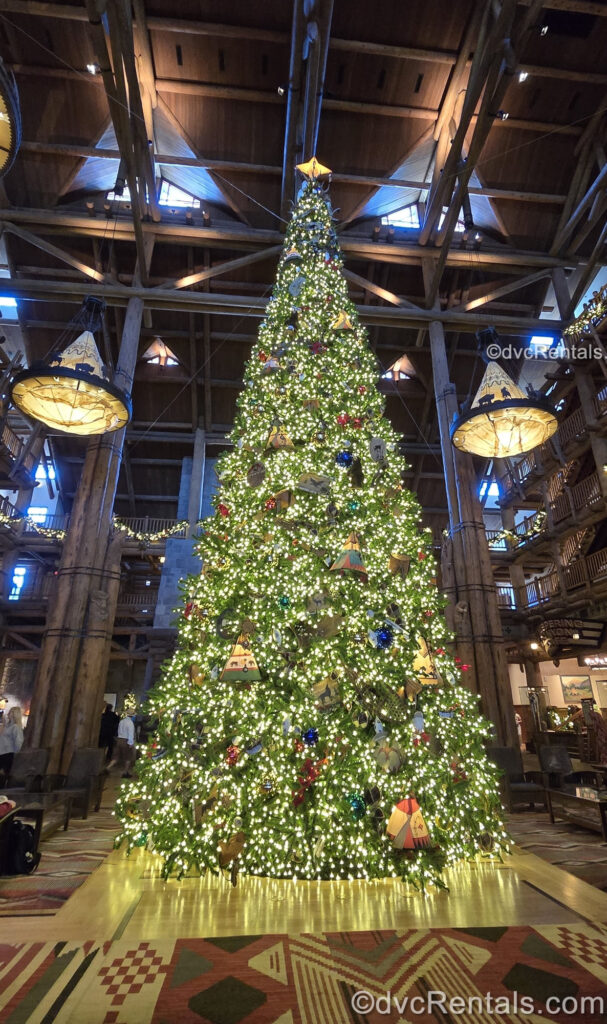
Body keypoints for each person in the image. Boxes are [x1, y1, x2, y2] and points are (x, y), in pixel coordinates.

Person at [109, 713, 136, 778]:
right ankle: (125, 772)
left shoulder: (122, 721)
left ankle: (108, 767)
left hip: (119, 739)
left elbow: (118, 730)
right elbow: (130, 733)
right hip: (126, 741)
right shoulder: (130, 723)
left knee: (116, 756)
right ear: (132, 716)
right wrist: (131, 743)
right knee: (128, 757)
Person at [0, 706, 24, 778]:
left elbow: (18, 742)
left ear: (14, 714)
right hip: (2, 753)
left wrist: (16, 755)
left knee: (3, 775)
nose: (8, 714)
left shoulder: (16, 727)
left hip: (7, 754)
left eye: (10, 712)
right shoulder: (7, 727)